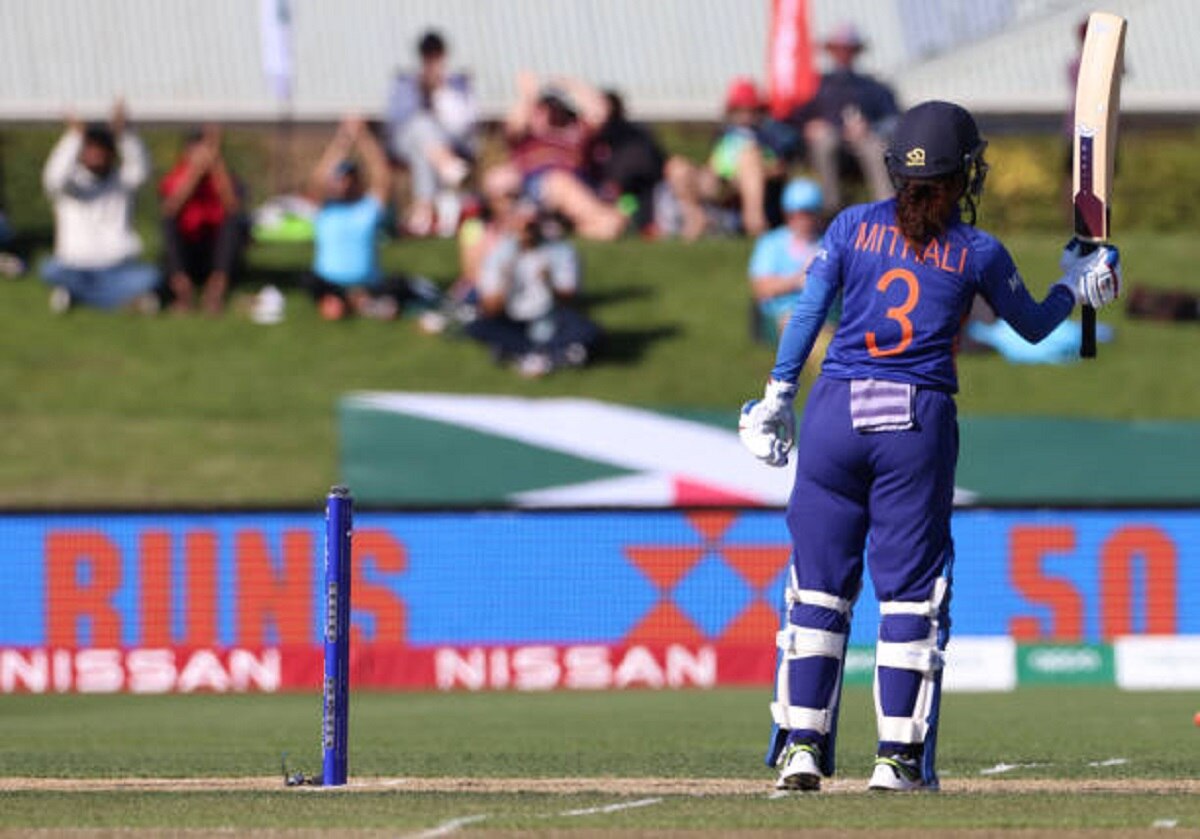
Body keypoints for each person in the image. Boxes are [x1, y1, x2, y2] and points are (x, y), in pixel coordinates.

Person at [738, 101, 1120, 792]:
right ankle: (897, 758)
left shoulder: (851, 226)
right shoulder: (976, 250)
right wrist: (1077, 286)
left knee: (817, 588)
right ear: (961, 174)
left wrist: (775, 395)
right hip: (913, 421)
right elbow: (1034, 328)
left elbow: (806, 313)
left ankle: (801, 745)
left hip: (834, 414)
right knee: (910, 596)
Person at [40, 100, 160, 313]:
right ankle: (118, 301)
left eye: (102, 149)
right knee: (49, 269)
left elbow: (141, 168)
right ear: (81, 152)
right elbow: (53, 177)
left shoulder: (123, 182)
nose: (97, 154)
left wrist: (124, 133)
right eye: (91, 148)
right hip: (75, 266)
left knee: (151, 276)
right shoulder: (70, 184)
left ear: (112, 153)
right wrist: (74, 136)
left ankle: (80, 296)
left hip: (117, 267)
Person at [465, 202, 601, 377]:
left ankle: (524, 352)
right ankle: (546, 353)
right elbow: (490, 307)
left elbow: (572, 300)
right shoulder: (499, 255)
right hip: (515, 318)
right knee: (479, 326)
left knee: (587, 330)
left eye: (530, 225)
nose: (525, 232)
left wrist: (549, 282)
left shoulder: (561, 252)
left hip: (552, 317)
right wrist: (505, 281)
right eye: (520, 225)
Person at [505, 72, 627, 241]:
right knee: (559, 182)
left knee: (612, 223)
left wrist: (569, 84)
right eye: (543, 108)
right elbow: (513, 124)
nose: (549, 114)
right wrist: (528, 96)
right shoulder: (528, 135)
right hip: (539, 188)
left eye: (554, 108)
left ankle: (563, 229)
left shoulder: (576, 130)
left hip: (579, 185)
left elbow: (600, 112)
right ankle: (589, 220)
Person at [306, 115, 406, 320]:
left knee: (398, 283)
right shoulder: (324, 209)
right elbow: (317, 179)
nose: (344, 185)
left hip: (368, 281)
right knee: (310, 282)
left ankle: (359, 300)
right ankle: (352, 302)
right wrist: (343, 138)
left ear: (358, 182)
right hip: (328, 281)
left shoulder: (368, 208)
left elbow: (383, 175)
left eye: (349, 180)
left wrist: (363, 138)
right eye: (340, 180)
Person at [794, 23, 898, 211]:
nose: (843, 54)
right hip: (830, 143)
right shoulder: (817, 85)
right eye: (839, 49)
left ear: (856, 52)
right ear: (831, 51)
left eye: (848, 49)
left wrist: (870, 127)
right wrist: (809, 126)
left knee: (876, 147)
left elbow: (894, 121)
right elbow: (795, 117)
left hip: (863, 142)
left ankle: (887, 208)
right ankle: (830, 208)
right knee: (825, 140)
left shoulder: (873, 87)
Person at [664, 78, 779, 240]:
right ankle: (696, 218)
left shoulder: (769, 133)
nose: (745, 115)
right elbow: (714, 161)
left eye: (750, 110)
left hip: (751, 181)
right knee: (677, 166)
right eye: (740, 110)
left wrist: (747, 172)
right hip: (720, 180)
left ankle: (754, 222)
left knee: (749, 158)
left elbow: (779, 167)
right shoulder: (723, 134)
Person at [386, 29, 476, 237]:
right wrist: (421, 92)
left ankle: (423, 213)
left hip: (447, 142)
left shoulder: (458, 83)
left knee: (424, 149)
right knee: (422, 126)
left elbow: (465, 124)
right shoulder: (405, 82)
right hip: (407, 140)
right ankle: (449, 168)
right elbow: (396, 120)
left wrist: (441, 91)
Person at [159, 125, 244, 314]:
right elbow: (171, 208)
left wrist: (216, 165)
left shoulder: (223, 177)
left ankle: (215, 292)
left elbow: (233, 207)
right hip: (186, 250)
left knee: (232, 224)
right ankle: (182, 292)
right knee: (169, 224)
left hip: (214, 251)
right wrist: (195, 173)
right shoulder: (176, 176)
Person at [748, 178, 825, 343]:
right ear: (787, 215)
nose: (803, 220)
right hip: (781, 314)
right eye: (796, 215)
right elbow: (761, 287)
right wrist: (798, 281)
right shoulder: (771, 243)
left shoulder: (828, 243)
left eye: (808, 214)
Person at [587, 90, 666, 234]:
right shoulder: (593, 136)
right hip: (619, 191)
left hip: (631, 192)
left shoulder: (629, 135)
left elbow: (642, 165)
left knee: (630, 206)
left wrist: (616, 184)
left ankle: (638, 224)